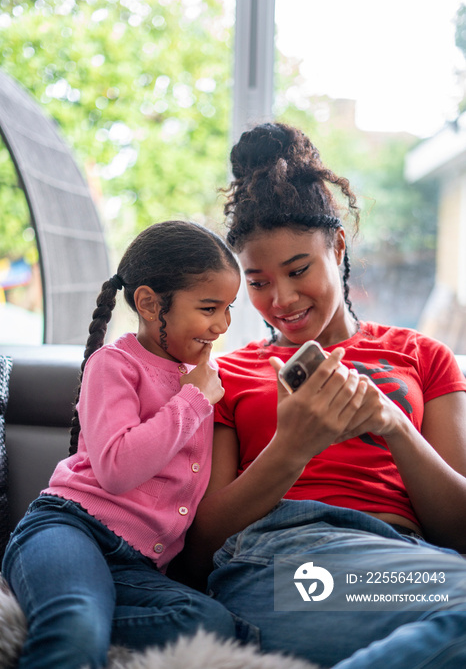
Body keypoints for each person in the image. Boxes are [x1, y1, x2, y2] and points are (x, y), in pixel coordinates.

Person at [185, 123, 466, 668]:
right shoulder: (229, 374)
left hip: (411, 560)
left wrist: (394, 425)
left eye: (298, 270)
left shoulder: (422, 356)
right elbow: (198, 550)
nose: (281, 299)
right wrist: (290, 447)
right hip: (283, 561)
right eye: (259, 282)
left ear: (336, 246)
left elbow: (460, 529)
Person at [1, 220, 241, 669]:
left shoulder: (201, 381)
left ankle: (67, 610)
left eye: (229, 309)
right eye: (210, 308)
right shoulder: (114, 364)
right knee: (75, 626)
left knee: (214, 624)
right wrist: (194, 398)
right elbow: (116, 468)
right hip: (69, 529)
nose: (222, 325)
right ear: (150, 304)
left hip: (136, 568)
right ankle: (70, 615)